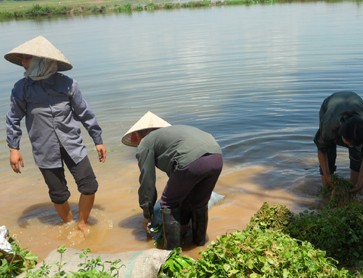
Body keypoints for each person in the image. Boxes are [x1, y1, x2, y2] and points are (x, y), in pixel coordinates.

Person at [5, 35, 107, 233]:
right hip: (44, 148)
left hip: (72, 144)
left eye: (27, 58)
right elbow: (13, 118)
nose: (23, 63)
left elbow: (84, 113)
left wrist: (98, 140)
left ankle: (82, 223)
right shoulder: (21, 88)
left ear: (42, 61)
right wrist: (13, 148)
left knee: (90, 186)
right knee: (59, 194)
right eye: (23, 59)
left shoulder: (67, 84)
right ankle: (68, 224)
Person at [121, 111, 223, 250]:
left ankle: (171, 253)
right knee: (199, 203)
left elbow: (147, 182)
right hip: (216, 157)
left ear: (137, 135)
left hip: (191, 159)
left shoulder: (145, 143)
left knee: (168, 203)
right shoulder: (170, 137)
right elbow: (181, 181)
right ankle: (200, 246)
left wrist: (147, 214)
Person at [313, 91, 363, 193]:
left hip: (355, 103)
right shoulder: (329, 125)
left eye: (354, 144)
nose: (350, 146)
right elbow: (321, 150)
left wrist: (360, 183)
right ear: (341, 134)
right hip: (330, 106)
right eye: (349, 143)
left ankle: (353, 189)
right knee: (329, 151)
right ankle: (327, 190)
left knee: (357, 154)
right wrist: (327, 176)